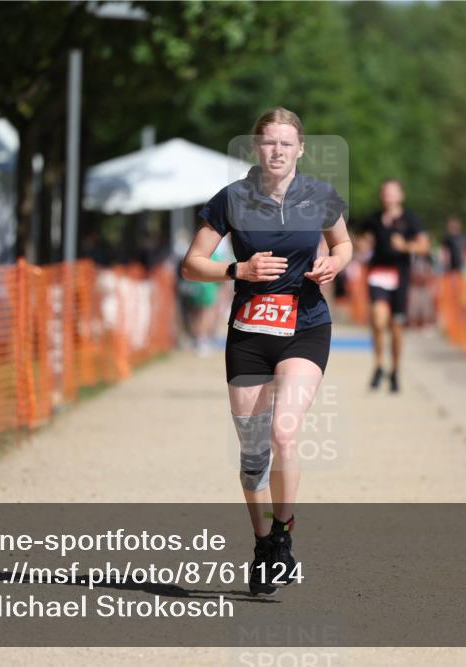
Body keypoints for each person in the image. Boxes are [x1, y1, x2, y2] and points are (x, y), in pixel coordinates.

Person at [182, 107, 351, 595]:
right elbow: (191, 264)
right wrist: (238, 270)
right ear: (256, 148)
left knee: (283, 431)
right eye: (268, 143)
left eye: (286, 143)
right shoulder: (232, 200)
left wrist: (333, 264)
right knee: (253, 452)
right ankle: (261, 545)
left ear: (300, 149)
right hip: (250, 334)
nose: (276, 151)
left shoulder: (319, 195)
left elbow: (344, 246)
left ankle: (282, 536)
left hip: (305, 325)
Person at [360, 179, 429, 392]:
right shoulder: (373, 219)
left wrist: (406, 246)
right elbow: (359, 238)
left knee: (397, 326)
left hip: (400, 276)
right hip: (378, 274)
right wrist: (363, 243)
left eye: (392, 192)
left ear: (401, 196)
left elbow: (424, 246)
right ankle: (379, 365)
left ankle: (395, 370)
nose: (388, 196)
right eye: (385, 192)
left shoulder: (410, 219)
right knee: (378, 320)